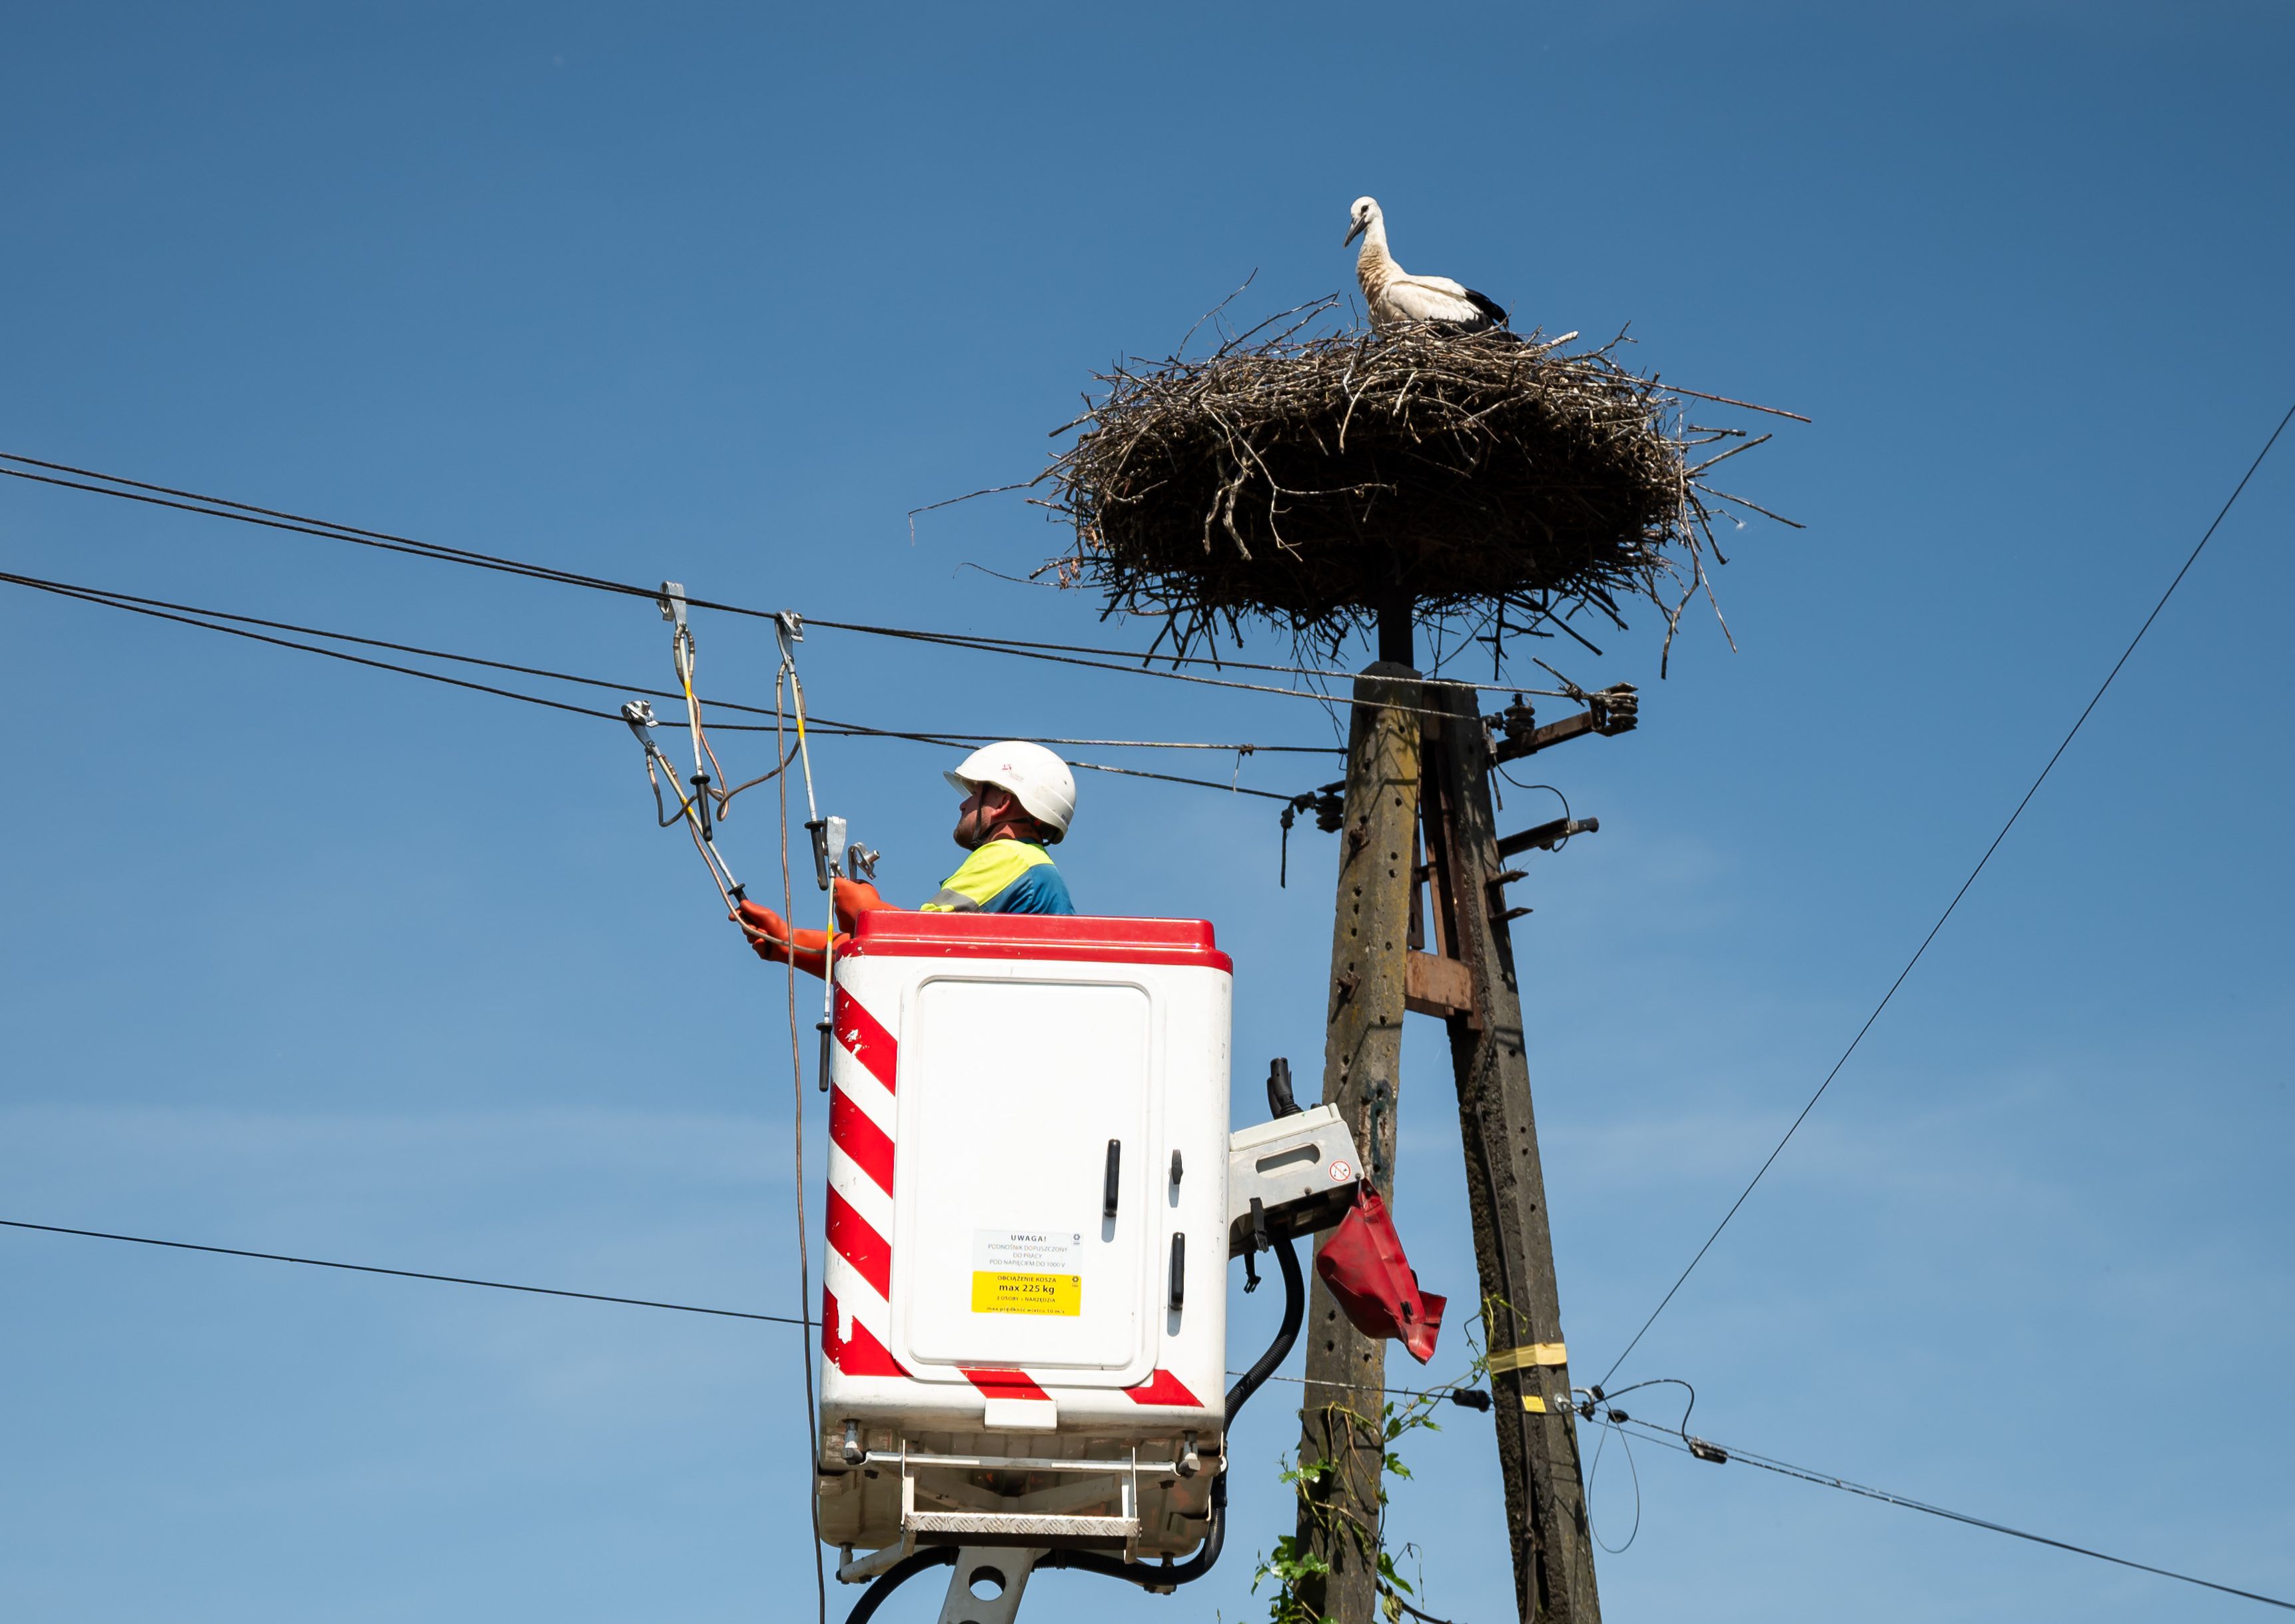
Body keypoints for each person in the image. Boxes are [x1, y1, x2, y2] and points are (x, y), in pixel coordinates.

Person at [735, 741, 1076, 977]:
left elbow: (914, 946)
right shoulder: (1033, 867)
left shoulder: (1010, 858)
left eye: (975, 794)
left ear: (1002, 803)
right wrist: (787, 942)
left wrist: (866, 909)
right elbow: (894, 952)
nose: (963, 805)